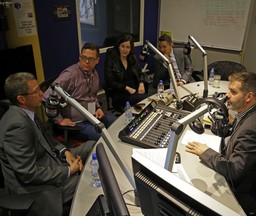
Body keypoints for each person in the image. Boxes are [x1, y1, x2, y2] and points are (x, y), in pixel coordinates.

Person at [0, 72, 96, 216]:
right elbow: (28, 174)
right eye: (36, 91)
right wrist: (69, 171)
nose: (42, 93)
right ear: (21, 99)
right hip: (34, 186)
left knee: (92, 145)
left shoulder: (28, 112)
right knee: (87, 181)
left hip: (50, 161)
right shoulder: (16, 126)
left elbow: (46, 138)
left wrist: (65, 152)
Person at [185, 71, 256, 215]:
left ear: (249, 96)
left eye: (233, 92)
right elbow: (240, 130)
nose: (227, 95)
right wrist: (228, 124)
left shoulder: (252, 130)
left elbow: (233, 171)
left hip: (247, 187)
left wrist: (205, 152)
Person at [43, 42, 116, 141]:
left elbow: (93, 95)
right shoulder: (70, 75)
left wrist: (98, 107)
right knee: (104, 137)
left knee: (117, 123)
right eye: (83, 57)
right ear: (79, 57)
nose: (86, 61)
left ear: (97, 60)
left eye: (91, 59)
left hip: (92, 115)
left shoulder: (94, 73)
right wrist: (59, 120)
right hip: (77, 122)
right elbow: (46, 96)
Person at [104, 34, 147, 113]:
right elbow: (109, 81)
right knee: (142, 103)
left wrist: (141, 83)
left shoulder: (132, 58)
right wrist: (126, 88)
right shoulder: (112, 60)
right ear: (118, 46)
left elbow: (140, 73)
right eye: (122, 46)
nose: (125, 50)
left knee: (147, 101)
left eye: (128, 47)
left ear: (131, 48)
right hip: (120, 91)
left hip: (134, 89)